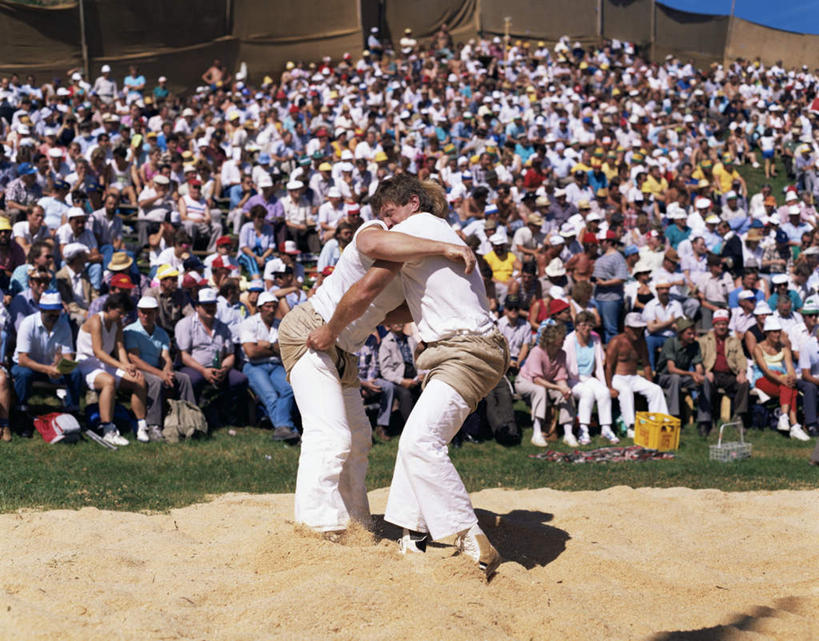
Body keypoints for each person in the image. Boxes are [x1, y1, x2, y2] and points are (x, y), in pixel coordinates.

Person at [306, 174, 506, 578]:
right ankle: (412, 534)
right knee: (414, 442)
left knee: (420, 443)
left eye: (389, 213)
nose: (387, 223)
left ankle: (468, 535)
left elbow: (368, 265)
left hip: (464, 351)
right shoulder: (440, 233)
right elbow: (407, 308)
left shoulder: (416, 230)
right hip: (467, 350)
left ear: (413, 203)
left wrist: (332, 329)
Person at [75, 293, 149, 446]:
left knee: (138, 379)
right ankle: (107, 429)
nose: (122, 316)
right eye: (120, 312)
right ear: (109, 308)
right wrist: (121, 365)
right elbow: (98, 352)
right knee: (108, 382)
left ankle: (141, 425)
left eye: (124, 314)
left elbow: (120, 347)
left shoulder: (117, 323)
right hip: (86, 365)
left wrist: (127, 365)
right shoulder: (96, 320)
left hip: (105, 365)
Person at [124, 295, 195, 440]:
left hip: (157, 368)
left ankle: (190, 418)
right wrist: (161, 374)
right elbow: (134, 359)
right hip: (140, 370)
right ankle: (153, 425)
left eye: (150, 312)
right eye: (143, 312)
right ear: (138, 312)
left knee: (184, 379)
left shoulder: (161, 333)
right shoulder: (131, 331)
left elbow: (166, 357)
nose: (146, 315)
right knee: (156, 382)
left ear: (156, 313)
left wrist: (167, 370)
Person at [174, 287, 248, 426]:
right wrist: (203, 371)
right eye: (206, 305)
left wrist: (224, 369)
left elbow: (230, 354)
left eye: (212, 305)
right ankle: (193, 416)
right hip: (193, 367)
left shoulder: (223, 327)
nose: (210, 308)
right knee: (192, 380)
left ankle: (220, 409)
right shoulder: (186, 324)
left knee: (240, 379)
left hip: (218, 367)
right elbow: (183, 355)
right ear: (197, 307)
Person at [11, 290, 85, 426]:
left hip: (50, 366)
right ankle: (21, 411)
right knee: (23, 373)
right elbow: (22, 359)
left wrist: (60, 366)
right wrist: (48, 369)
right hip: (30, 367)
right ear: (41, 309)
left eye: (56, 311)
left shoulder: (63, 325)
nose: (54, 315)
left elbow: (68, 356)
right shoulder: (28, 323)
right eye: (49, 311)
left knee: (74, 373)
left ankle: (72, 411)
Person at [239, 291, 297, 440]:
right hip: (254, 365)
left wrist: (266, 346)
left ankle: (283, 428)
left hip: (275, 365)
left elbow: (285, 349)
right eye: (267, 307)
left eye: (273, 307)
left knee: (289, 389)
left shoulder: (280, 325)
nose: (271, 310)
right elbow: (251, 352)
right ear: (260, 308)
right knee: (270, 395)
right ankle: (286, 427)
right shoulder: (249, 323)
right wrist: (274, 348)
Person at [605, 312, 669, 438]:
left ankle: (661, 423)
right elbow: (608, 367)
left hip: (634, 377)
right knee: (626, 390)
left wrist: (649, 381)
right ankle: (631, 426)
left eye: (640, 329)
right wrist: (610, 387)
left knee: (656, 389)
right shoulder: (616, 341)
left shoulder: (641, 342)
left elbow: (646, 364)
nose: (638, 332)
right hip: (618, 377)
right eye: (634, 329)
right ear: (626, 328)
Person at [516, 322, 576, 446]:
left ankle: (568, 433)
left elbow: (560, 377)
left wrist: (564, 389)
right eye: (561, 338)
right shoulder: (537, 351)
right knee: (540, 390)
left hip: (547, 383)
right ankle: (537, 432)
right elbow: (537, 379)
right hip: (525, 382)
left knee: (566, 394)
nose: (564, 340)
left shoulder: (561, 354)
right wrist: (558, 387)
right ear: (552, 340)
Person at [563, 311, 618, 444]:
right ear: (576, 326)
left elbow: (600, 360)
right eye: (583, 325)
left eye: (590, 325)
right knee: (587, 393)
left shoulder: (595, 339)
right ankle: (583, 430)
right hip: (572, 379)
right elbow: (564, 365)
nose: (587, 328)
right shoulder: (569, 340)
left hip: (588, 377)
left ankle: (606, 428)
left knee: (603, 392)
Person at [752, 316, 809, 440]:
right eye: (774, 331)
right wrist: (783, 379)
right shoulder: (758, 348)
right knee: (789, 387)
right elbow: (765, 371)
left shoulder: (784, 348)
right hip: (762, 378)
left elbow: (790, 367)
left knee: (790, 387)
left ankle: (788, 421)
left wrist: (792, 378)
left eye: (779, 331)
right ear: (767, 333)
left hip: (781, 379)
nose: (777, 334)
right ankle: (793, 424)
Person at [697, 309, 750, 436]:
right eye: (719, 324)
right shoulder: (704, 340)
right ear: (714, 325)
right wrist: (705, 372)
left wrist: (742, 372)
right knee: (706, 384)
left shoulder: (734, 341)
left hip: (729, 374)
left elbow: (741, 358)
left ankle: (738, 416)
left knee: (744, 383)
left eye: (724, 324)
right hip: (712, 372)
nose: (721, 327)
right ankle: (708, 421)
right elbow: (699, 358)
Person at [655, 317, 704, 422]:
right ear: (681, 334)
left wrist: (698, 374)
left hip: (683, 377)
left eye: (693, 333)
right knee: (675, 378)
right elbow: (671, 369)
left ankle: (705, 417)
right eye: (689, 334)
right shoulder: (670, 343)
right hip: (664, 377)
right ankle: (673, 416)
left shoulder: (695, 345)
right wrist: (692, 374)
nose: (692, 336)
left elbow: (698, 364)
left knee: (706, 380)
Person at [378, 323, 423, 431]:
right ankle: (411, 429)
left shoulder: (411, 340)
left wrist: (421, 374)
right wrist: (402, 381)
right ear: (389, 326)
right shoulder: (386, 343)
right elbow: (385, 371)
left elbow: (419, 360)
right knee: (405, 394)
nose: (399, 323)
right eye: (395, 321)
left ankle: (426, 425)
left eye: (401, 320)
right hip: (397, 379)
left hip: (414, 375)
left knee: (426, 390)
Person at [592, 230, 629, 343]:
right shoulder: (602, 256)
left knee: (610, 329)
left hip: (611, 298)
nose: (600, 243)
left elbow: (622, 277)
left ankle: (612, 353)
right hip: (598, 297)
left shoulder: (617, 257)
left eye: (602, 241)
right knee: (596, 326)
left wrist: (605, 283)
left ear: (609, 242)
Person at [796, 297, 819, 437]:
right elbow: (805, 374)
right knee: (810, 387)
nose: (814, 318)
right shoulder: (808, 346)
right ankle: (811, 424)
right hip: (805, 377)